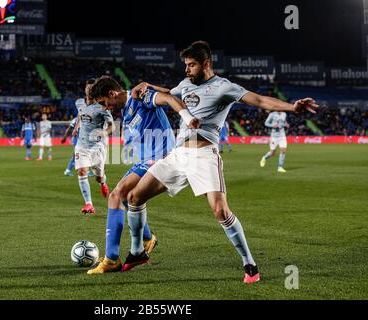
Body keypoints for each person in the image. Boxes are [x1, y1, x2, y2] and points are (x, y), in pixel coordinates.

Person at [123, 41, 318, 283]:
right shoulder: (185, 84)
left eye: (191, 65)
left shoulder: (223, 87)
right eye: (185, 65)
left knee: (220, 211)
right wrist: (148, 85)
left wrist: (292, 107)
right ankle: (137, 252)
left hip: (204, 156)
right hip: (178, 155)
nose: (187, 70)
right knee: (134, 197)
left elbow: (259, 100)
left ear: (206, 64)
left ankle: (250, 264)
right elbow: (168, 91)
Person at [86, 76, 199, 274]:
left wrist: (187, 117)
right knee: (132, 200)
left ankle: (112, 259)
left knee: (116, 196)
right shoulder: (127, 111)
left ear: (112, 94)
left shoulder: (141, 97)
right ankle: (147, 239)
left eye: (104, 103)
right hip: (146, 159)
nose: (105, 108)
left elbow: (170, 97)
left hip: (161, 158)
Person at [75, 79, 114, 214]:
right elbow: (80, 115)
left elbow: (111, 126)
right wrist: (76, 127)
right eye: (88, 88)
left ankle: (102, 182)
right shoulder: (79, 103)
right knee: (82, 171)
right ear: (85, 89)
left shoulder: (102, 107)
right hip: (82, 144)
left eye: (93, 88)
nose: (90, 90)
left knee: (98, 176)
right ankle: (89, 204)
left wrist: (104, 132)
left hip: (97, 147)